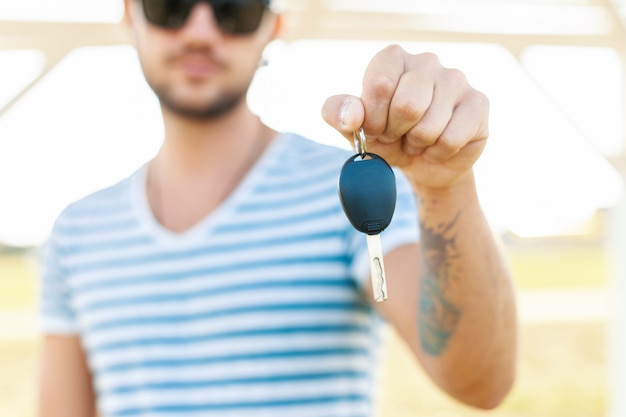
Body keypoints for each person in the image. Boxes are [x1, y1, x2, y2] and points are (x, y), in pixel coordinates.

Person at [37, 0, 518, 416]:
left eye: (235, 10)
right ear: (130, 13)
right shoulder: (76, 233)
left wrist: (447, 188)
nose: (201, 32)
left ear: (273, 25)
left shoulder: (342, 190)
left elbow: (479, 379)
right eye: (171, 6)